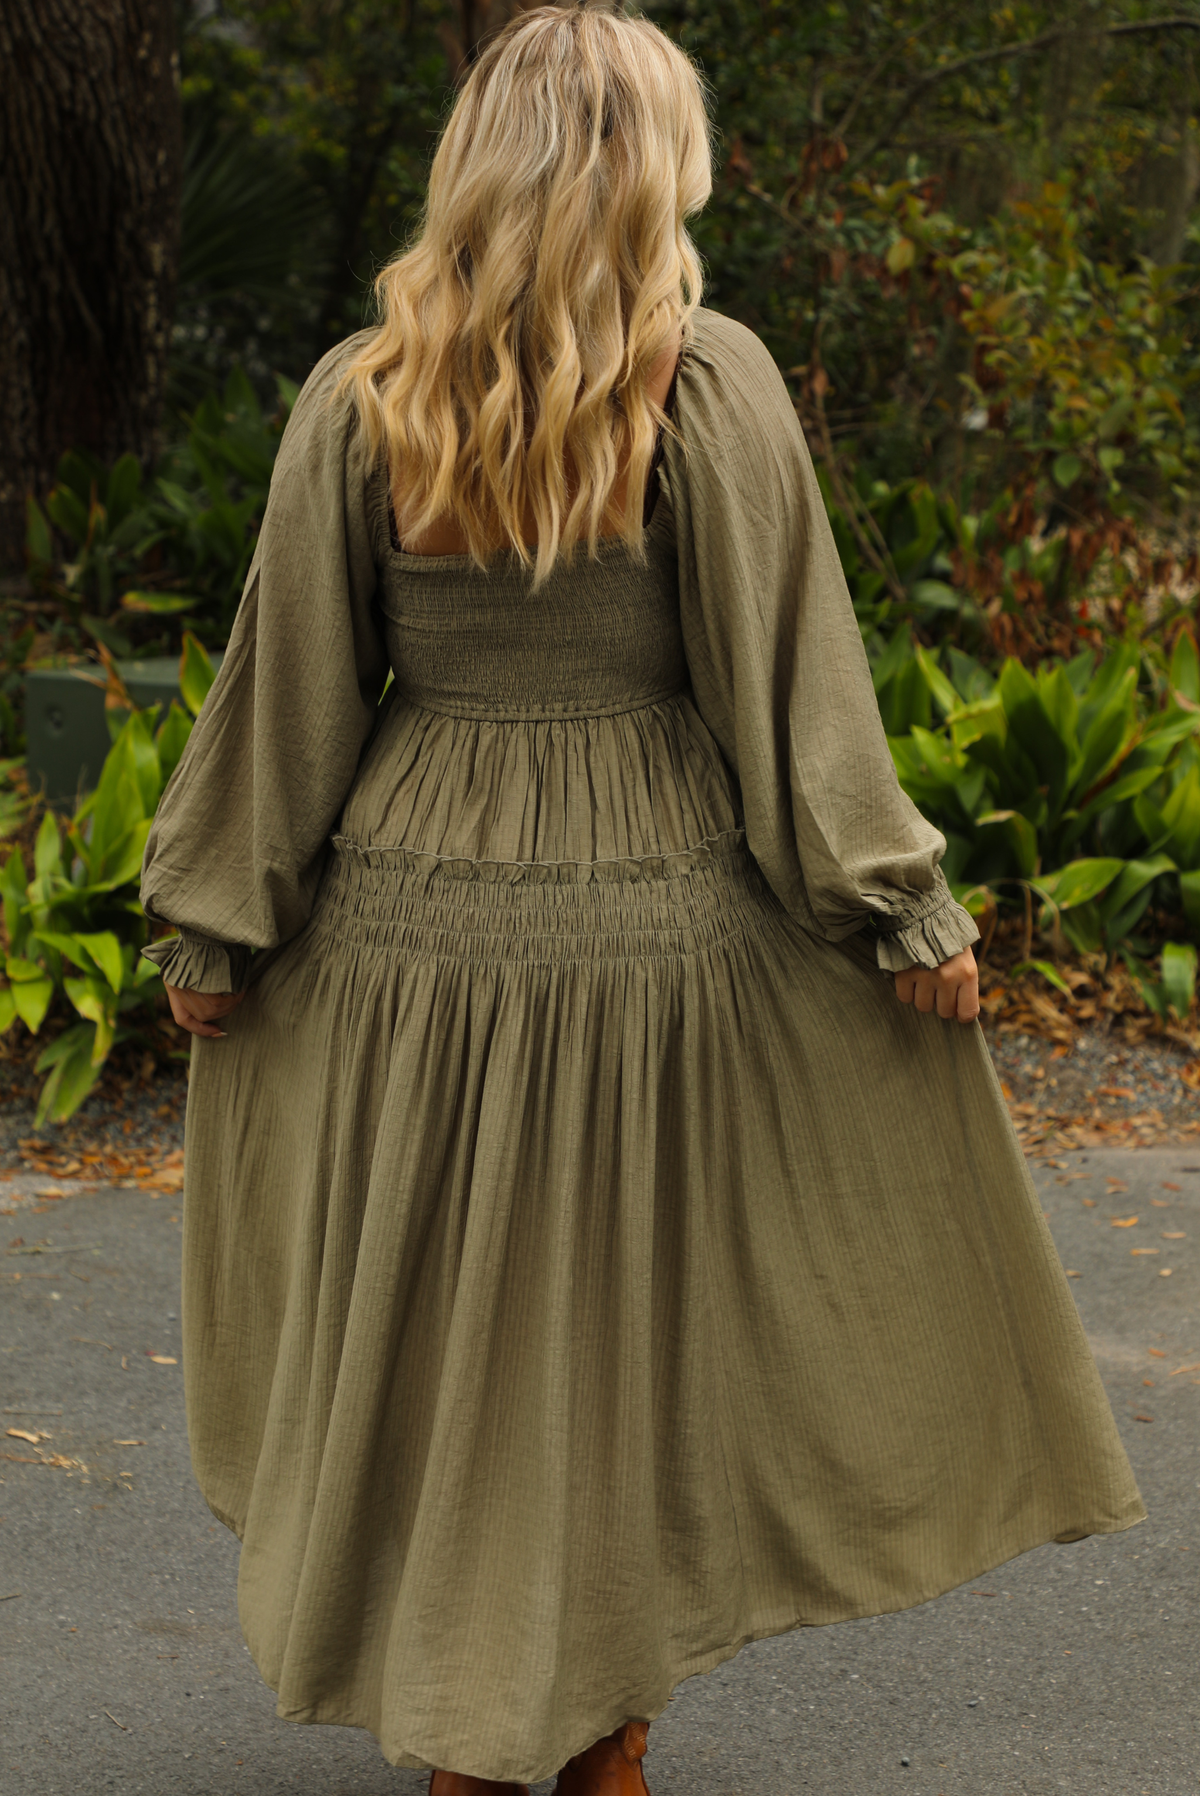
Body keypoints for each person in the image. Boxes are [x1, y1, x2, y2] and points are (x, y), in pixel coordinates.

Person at [138, 7, 1144, 1793]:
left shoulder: (363, 394)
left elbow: (287, 689)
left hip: (411, 927)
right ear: (644, 165)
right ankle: (598, 1739)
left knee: (441, 1336)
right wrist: (898, 911)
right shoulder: (705, 381)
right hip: (651, 921)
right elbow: (788, 686)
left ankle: (469, 1731)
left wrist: (217, 923)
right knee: (618, 1333)